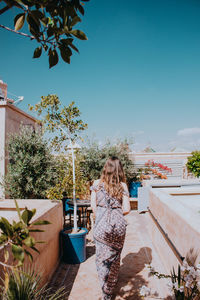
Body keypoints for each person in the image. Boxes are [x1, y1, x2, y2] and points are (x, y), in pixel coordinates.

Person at [90, 156, 130, 300]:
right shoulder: (123, 186)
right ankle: (110, 289)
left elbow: (93, 207)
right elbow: (126, 209)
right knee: (114, 259)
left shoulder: (96, 184)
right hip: (119, 227)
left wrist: (103, 215)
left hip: (102, 227)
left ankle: (104, 292)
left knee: (101, 259)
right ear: (120, 170)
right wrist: (115, 212)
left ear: (105, 168)